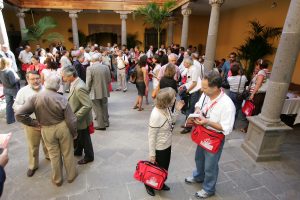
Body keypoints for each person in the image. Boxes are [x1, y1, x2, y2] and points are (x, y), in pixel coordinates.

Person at [15, 74, 78, 187]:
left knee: (54, 155)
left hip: (46, 129)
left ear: (45, 83)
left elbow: (19, 114)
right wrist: (74, 133)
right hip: (62, 127)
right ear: (58, 85)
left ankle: (57, 179)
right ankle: (71, 176)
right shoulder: (61, 98)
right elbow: (71, 119)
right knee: (67, 152)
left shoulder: (34, 98)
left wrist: (33, 123)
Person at [185, 70, 235, 198]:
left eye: (205, 87)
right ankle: (198, 176)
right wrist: (197, 112)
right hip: (202, 132)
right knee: (199, 158)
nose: (202, 90)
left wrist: (207, 122)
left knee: (210, 165)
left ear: (216, 88)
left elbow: (226, 128)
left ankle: (209, 188)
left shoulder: (227, 104)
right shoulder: (206, 95)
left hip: (214, 137)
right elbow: (198, 105)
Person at [145, 87, 184, 196]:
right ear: (167, 101)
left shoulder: (166, 108)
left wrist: (177, 110)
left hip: (167, 143)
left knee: (164, 168)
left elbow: (172, 122)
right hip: (160, 147)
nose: (175, 99)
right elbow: (151, 136)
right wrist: (152, 154)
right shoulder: (156, 115)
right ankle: (148, 184)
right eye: (173, 98)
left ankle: (160, 183)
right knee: (156, 169)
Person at [13, 71, 49, 177]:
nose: (36, 81)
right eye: (32, 79)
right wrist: (26, 109)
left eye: (37, 78)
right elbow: (16, 106)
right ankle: (33, 165)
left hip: (47, 122)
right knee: (33, 145)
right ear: (27, 80)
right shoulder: (23, 91)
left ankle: (49, 156)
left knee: (48, 142)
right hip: (31, 123)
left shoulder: (46, 89)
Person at [62, 66, 94, 165]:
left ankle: (89, 156)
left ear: (71, 75)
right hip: (79, 118)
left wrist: (75, 117)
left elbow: (87, 105)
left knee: (85, 138)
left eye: (64, 77)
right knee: (79, 136)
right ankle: (78, 150)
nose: (63, 79)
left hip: (81, 119)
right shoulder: (75, 83)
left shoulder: (79, 87)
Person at [241, 59, 269, 133]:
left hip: (257, 95)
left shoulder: (261, 72)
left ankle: (248, 129)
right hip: (260, 95)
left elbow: (258, 84)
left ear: (259, 65)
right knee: (255, 111)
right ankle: (250, 129)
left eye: (257, 64)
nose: (256, 66)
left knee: (253, 111)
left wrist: (252, 94)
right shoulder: (265, 72)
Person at [86, 54, 111, 130]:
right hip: (104, 90)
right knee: (104, 106)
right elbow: (109, 80)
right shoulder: (106, 67)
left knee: (97, 108)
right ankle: (106, 122)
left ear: (93, 60)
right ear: (99, 60)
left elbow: (88, 82)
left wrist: (87, 91)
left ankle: (101, 125)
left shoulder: (90, 68)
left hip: (94, 92)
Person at [179, 57, 202, 134]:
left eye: (184, 63)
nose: (183, 64)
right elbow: (190, 81)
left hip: (194, 92)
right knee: (188, 108)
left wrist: (187, 91)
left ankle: (188, 127)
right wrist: (184, 86)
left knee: (190, 108)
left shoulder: (194, 69)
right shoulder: (189, 69)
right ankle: (186, 124)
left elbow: (194, 83)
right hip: (191, 90)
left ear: (188, 63)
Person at [0, 57, 20, 124]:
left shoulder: (1, 70)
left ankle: (10, 120)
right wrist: (17, 78)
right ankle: (22, 117)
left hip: (5, 89)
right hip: (13, 89)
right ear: (8, 63)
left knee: (9, 104)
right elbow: (12, 82)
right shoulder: (9, 71)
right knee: (19, 103)